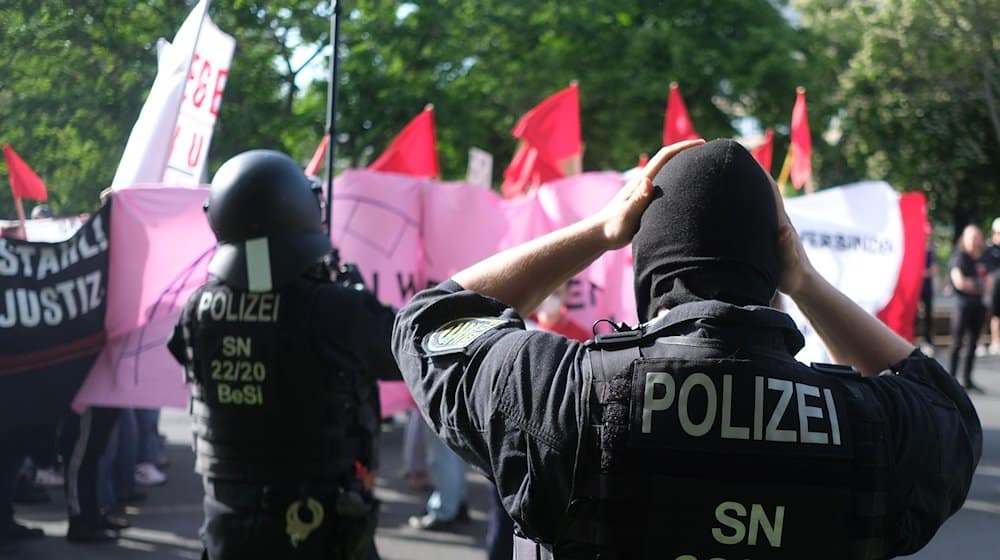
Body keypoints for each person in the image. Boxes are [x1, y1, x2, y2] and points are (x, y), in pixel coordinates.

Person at [391, 139, 982, 559]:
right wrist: (805, 281)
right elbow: (949, 410)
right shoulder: (871, 423)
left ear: (646, 266)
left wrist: (599, 231)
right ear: (771, 269)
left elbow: (430, 319)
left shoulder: (562, 395)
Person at [167, 150, 400, 560]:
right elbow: (401, 354)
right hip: (318, 531)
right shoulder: (333, 308)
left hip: (229, 530)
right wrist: (351, 297)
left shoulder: (196, 308)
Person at [948, 224, 987, 392]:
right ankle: (950, 380)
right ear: (964, 239)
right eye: (971, 237)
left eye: (977, 237)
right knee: (957, 343)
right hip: (962, 306)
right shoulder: (959, 257)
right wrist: (978, 284)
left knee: (972, 344)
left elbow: (990, 282)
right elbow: (960, 282)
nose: (974, 240)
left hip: (978, 305)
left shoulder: (983, 258)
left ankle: (967, 379)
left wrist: (975, 284)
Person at [981, 218, 1000, 354]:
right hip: (990, 288)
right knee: (987, 314)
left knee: (997, 315)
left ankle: (996, 342)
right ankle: (980, 342)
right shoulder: (988, 250)